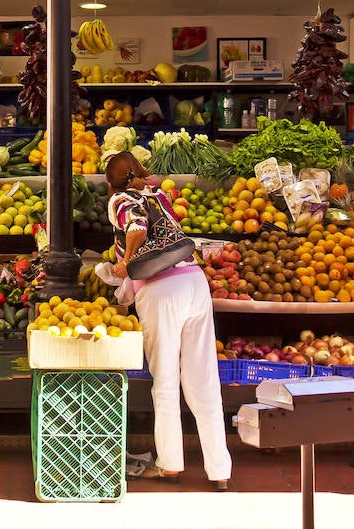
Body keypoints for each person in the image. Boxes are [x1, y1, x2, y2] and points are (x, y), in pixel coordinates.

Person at [106, 151, 232, 490]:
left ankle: (171, 464)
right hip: (194, 281)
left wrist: (126, 262)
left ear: (110, 182)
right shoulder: (159, 194)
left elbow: (136, 226)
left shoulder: (120, 200)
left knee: (165, 380)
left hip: (162, 290)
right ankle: (219, 470)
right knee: (202, 377)